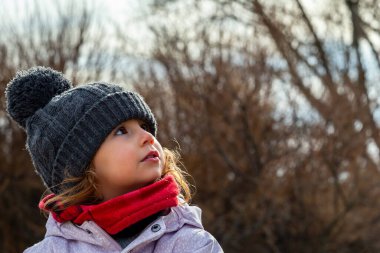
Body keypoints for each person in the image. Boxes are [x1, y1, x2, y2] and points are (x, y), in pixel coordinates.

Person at [5, 66, 223, 253]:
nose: (148, 137)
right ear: (80, 164)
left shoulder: (192, 244)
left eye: (145, 127)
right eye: (121, 131)